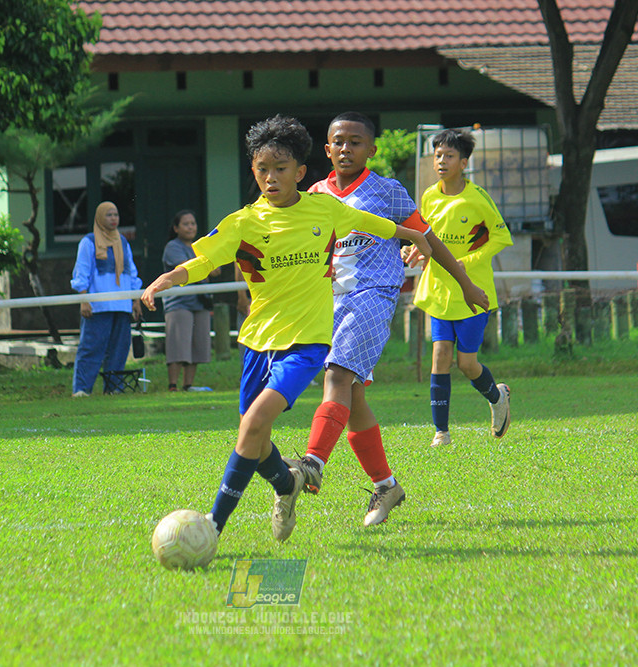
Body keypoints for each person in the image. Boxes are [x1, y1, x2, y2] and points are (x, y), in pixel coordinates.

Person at [141, 115, 433, 544]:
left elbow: (378, 226)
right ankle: (285, 484)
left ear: (300, 173)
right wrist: (169, 278)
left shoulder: (324, 208)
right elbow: (204, 260)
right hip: (258, 340)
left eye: (281, 169)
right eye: (262, 170)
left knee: (255, 422)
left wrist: (416, 238)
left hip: (307, 342)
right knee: (254, 440)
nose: (271, 178)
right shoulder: (243, 222)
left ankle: (213, 526)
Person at [289, 112, 490, 526]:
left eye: (356, 142)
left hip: (373, 295)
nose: (347, 149)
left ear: (372, 150)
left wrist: (466, 283)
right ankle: (386, 485)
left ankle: (312, 463)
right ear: (327, 149)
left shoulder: (387, 191)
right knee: (353, 396)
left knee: (337, 377)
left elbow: (428, 238)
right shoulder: (313, 196)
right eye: (339, 142)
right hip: (329, 302)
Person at [412, 128, 513, 447]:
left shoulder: (477, 197)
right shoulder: (428, 196)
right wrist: (413, 249)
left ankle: (497, 397)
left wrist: (466, 262)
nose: (441, 161)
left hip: (472, 291)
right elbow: (425, 237)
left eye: (449, 156)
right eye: (438, 155)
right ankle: (441, 432)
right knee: (440, 356)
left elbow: (501, 237)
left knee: (467, 364)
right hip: (439, 290)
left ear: (464, 162)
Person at [70, 201, 143, 396]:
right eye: (109, 215)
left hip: (122, 304)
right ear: (100, 217)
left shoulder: (123, 242)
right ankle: (82, 389)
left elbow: (131, 273)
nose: (113, 219)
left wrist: (136, 299)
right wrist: (83, 299)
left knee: (119, 349)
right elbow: (82, 271)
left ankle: (114, 388)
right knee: (92, 348)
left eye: (116, 214)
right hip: (98, 305)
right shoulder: (89, 242)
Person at [161, 209, 219, 392]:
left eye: (193, 223)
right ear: (176, 228)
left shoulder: (200, 246)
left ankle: (188, 385)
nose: (191, 227)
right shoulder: (172, 247)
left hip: (200, 302)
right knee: (179, 346)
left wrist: (206, 269)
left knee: (198, 345)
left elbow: (212, 269)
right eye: (186, 224)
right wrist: (206, 268)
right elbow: (188, 270)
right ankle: (172, 386)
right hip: (179, 303)